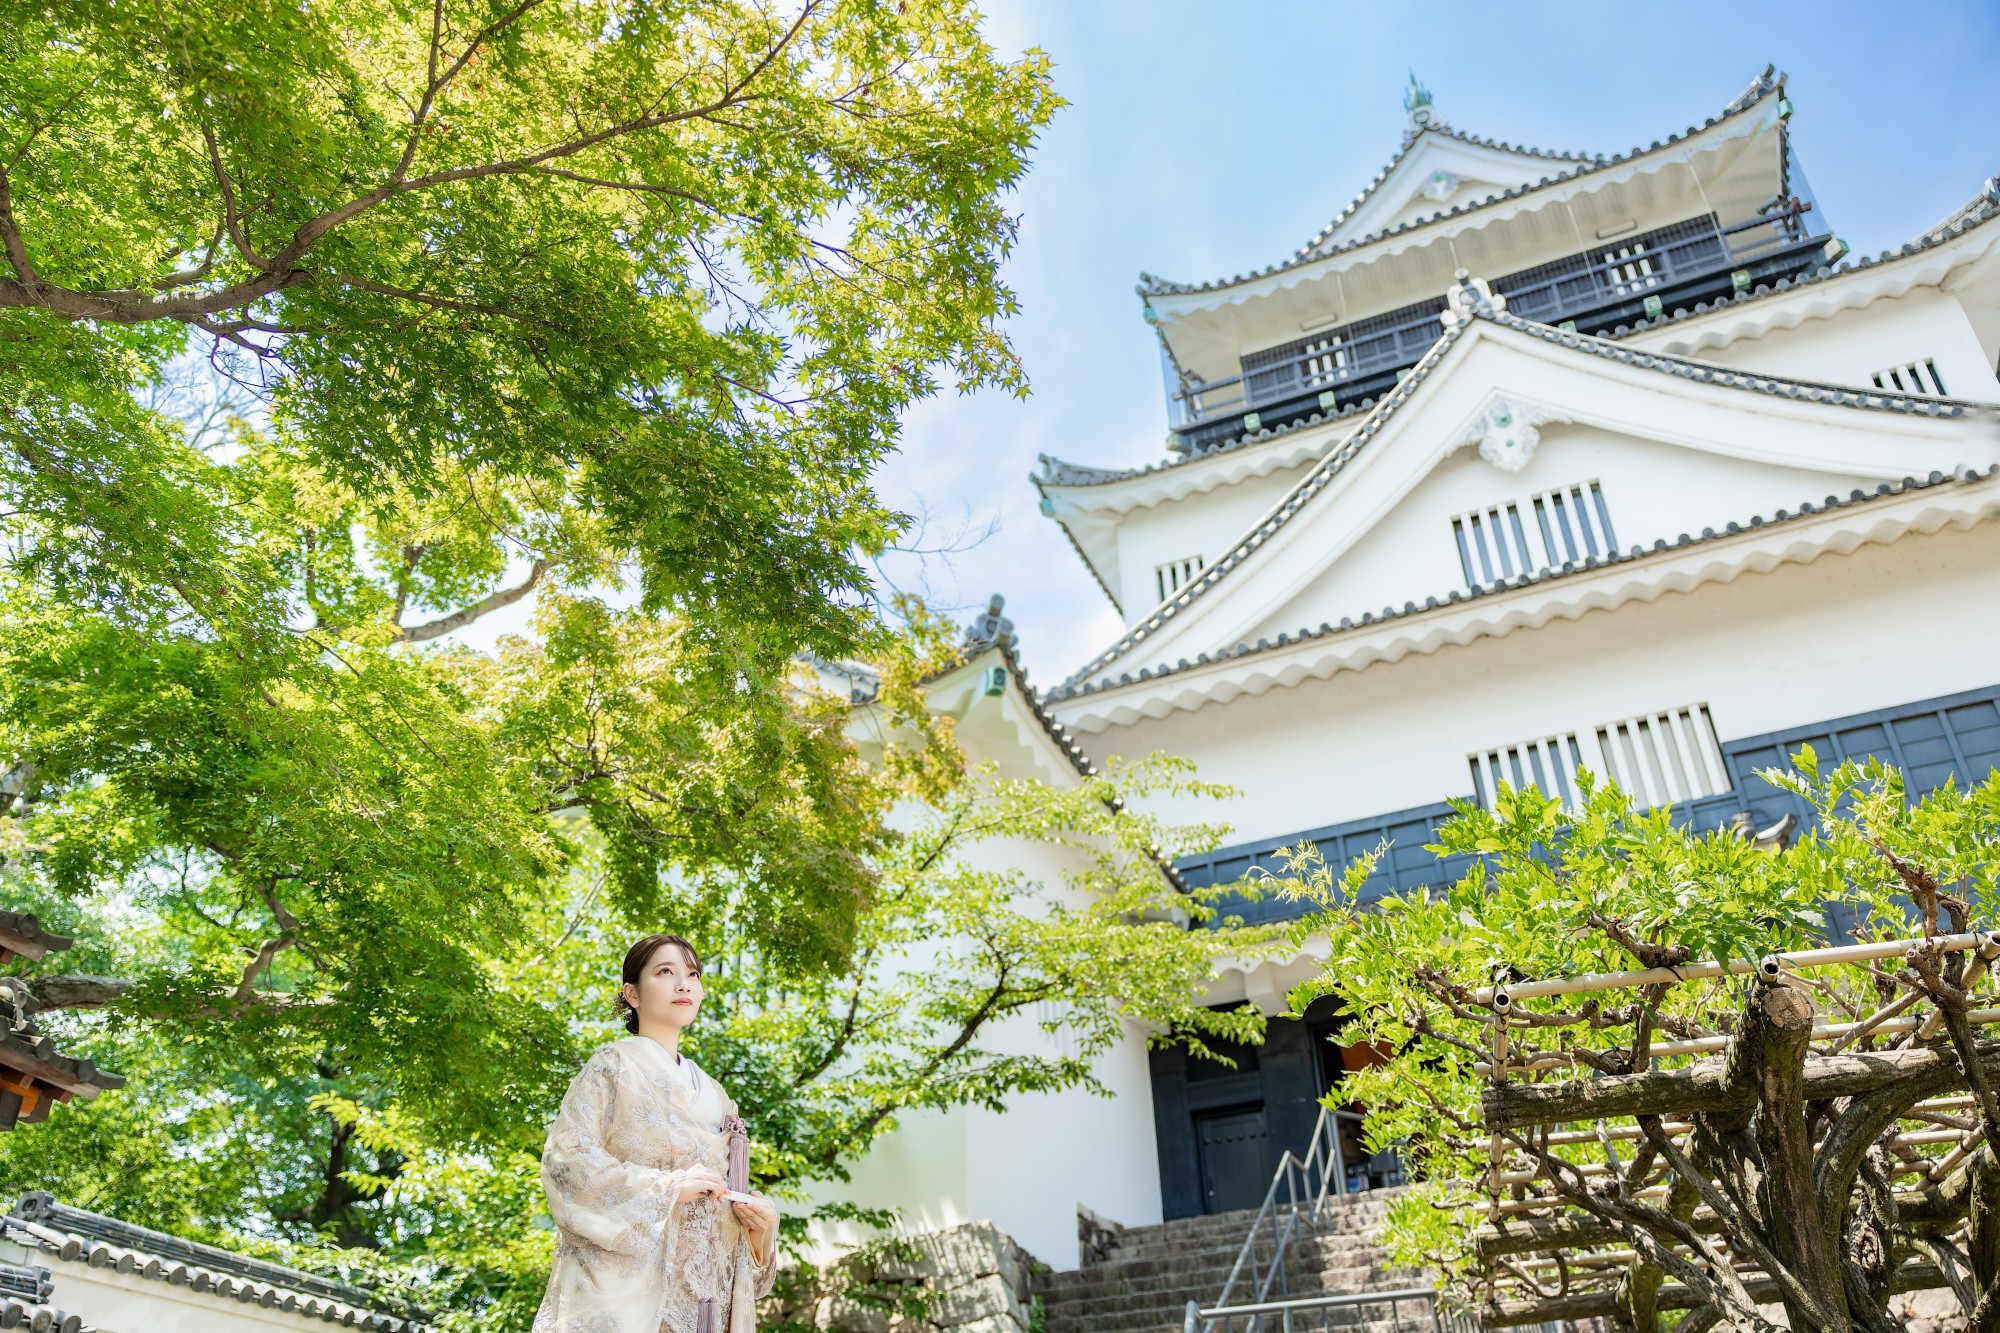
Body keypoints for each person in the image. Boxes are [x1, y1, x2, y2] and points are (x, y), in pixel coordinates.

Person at [532, 934, 782, 1333]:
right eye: (665, 972)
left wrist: (759, 1230)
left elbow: (725, 1217)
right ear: (631, 994)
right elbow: (568, 1164)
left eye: (692, 974)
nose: (684, 984)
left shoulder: (718, 1096)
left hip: (706, 1301)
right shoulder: (611, 1067)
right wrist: (667, 1188)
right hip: (629, 1297)